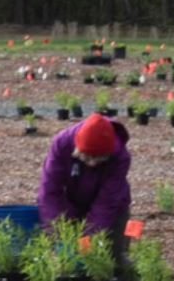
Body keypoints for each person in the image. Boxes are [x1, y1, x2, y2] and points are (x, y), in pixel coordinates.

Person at [37, 113, 132, 270]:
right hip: (71, 204)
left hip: (113, 210)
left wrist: (88, 238)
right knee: (64, 260)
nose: (93, 164)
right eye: (87, 158)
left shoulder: (120, 157)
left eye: (99, 159)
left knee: (111, 261)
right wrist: (56, 229)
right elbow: (50, 190)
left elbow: (107, 203)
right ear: (77, 149)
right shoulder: (62, 143)